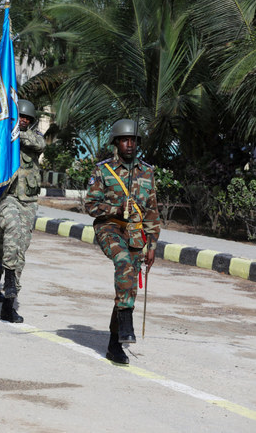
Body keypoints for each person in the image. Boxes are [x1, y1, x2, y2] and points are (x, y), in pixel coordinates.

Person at [85, 118, 160, 365]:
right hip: (109, 227)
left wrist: (151, 245)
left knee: (129, 284)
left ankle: (114, 344)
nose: (130, 144)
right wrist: (115, 209)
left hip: (136, 233)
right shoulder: (103, 170)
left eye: (134, 140)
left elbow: (151, 212)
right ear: (116, 142)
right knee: (124, 262)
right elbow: (91, 205)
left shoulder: (147, 171)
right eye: (125, 140)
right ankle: (126, 318)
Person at [0, 99, 45, 322]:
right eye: (19, 117)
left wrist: (15, 133)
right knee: (11, 234)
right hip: (7, 198)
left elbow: (40, 145)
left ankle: (9, 301)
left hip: (28, 201)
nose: (23, 120)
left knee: (20, 249)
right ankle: (6, 279)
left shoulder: (33, 137)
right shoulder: (0, 138)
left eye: (26, 118)